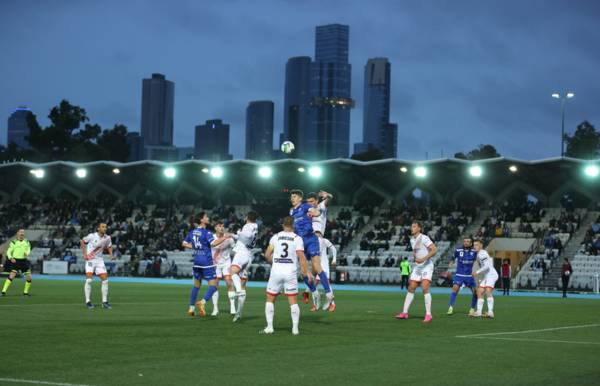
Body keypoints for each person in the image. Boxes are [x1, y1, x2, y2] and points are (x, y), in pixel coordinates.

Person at [262, 216, 309, 335]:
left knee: (270, 298)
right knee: (293, 300)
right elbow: (301, 257)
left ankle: (269, 327)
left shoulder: (275, 237)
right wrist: (304, 271)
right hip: (290, 272)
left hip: (276, 271)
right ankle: (295, 329)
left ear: (283, 224)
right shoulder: (297, 238)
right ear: (293, 225)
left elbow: (267, 254)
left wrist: (274, 262)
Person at [290, 190, 334, 311]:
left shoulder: (306, 206)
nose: (292, 199)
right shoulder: (292, 211)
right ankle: (315, 294)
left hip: (311, 239)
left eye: (294, 197)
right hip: (300, 242)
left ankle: (329, 294)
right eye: (291, 197)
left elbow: (317, 211)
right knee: (303, 273)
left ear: (300, 198)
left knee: (318, 267)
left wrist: (315, 213)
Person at [182, 213, 231, 317]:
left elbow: (184, 243)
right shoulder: (206, 233)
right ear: (201, 220)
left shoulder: (192, 232)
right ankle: (202, 302)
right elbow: (213, 243)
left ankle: (191, 308)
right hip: (207, 263)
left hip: (196, 263)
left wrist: (196, 248)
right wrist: (225, 237)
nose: (208, 218)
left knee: (196, 286)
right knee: (213, 286)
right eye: (206, 217)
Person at [396, 221, 438, 323]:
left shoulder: (424, 238)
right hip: (418, 267)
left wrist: (423, 259)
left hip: (427, 265)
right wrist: (417, 259)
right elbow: (416, 253)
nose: (412, 228)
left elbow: (434, 250)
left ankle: (428, 314)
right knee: (411, 287)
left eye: (414, 226)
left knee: (424, 287)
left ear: (419, 228)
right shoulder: (412, 240)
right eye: (411, 226)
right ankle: (405, 313)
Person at [230, 211, 259, 322]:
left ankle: (238, 291)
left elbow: (246, 235)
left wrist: (239, 231)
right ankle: (239, 313)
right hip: (248, 254)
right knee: (243, 284)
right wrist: (233, 235)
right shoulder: (255, 226)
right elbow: (245, 238)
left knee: (232, 271)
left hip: (242, 253)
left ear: (247, 217)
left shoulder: (247, 226)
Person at [80, 223, 115, 309]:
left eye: (106, 227)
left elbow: (109, 246)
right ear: (98, 228)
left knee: (105, 281)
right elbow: (82, 241)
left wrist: (111, 255)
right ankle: (88, 301)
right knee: (89, 280)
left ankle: (105, 302)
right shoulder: (92, 236)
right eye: (103, 227)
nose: (105, 228)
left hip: (99, 261)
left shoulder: (107, 238)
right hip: (90, 260)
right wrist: (84, 254)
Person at [446, 237, 478, 315]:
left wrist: (477, 271)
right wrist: (451, 263)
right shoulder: (458, 250)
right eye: (465, 241)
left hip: (469, 276)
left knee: (476, 292)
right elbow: (453, 258)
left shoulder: (475, 252)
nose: (466, 242)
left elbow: (477, 261)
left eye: (468, 241)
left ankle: (472, 309)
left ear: (471, 243)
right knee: (455, 290)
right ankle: (450, 308)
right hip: (459, 275)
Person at [211, 221, 236, 316]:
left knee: (229, 283)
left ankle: (233, 307)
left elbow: (235, 249)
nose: (222, 227)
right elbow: (211, 245)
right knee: (215, 285)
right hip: (215, 264)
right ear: (215, 228)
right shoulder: (211, 237)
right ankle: (215, 308)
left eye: (223, 226)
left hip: (226, 263)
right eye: (219, 226)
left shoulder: (229, 238)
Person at [471, 239, 498, 318]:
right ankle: (479, 312)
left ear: (481, 246)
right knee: (479, 291)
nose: (474, 246)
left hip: (491, 274)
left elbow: (487, 266)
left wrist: (477, 272)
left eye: (476, 245)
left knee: (487, 291)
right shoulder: (479, 254)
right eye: (474, 245)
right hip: (487, 275)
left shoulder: (482, 253)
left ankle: (490, 312)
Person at [2, 229, 32, 296]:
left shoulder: (26, 241)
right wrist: (11, 258)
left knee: (29, 277)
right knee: (12, 276)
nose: (22, 233)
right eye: (21, 232)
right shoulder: (13, 242)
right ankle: (3, 292)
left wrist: (27, 253)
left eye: (23, 232)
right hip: (16, 261)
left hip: (24, 261)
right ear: (17, 233)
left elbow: (29, 249)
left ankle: (25, 293)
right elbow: (9, 251)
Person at [314, 231, 337, 311]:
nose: (316, 235)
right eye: (315, 233)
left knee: (326, 283)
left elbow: (333, 249)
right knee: (314, 285)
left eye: (318, 233)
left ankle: (332, 303)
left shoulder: (324, 241)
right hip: (317, 265)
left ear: (321, 234)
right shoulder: (313, 242)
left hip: (324, 265)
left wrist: (334, 259)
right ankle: (317, 304)